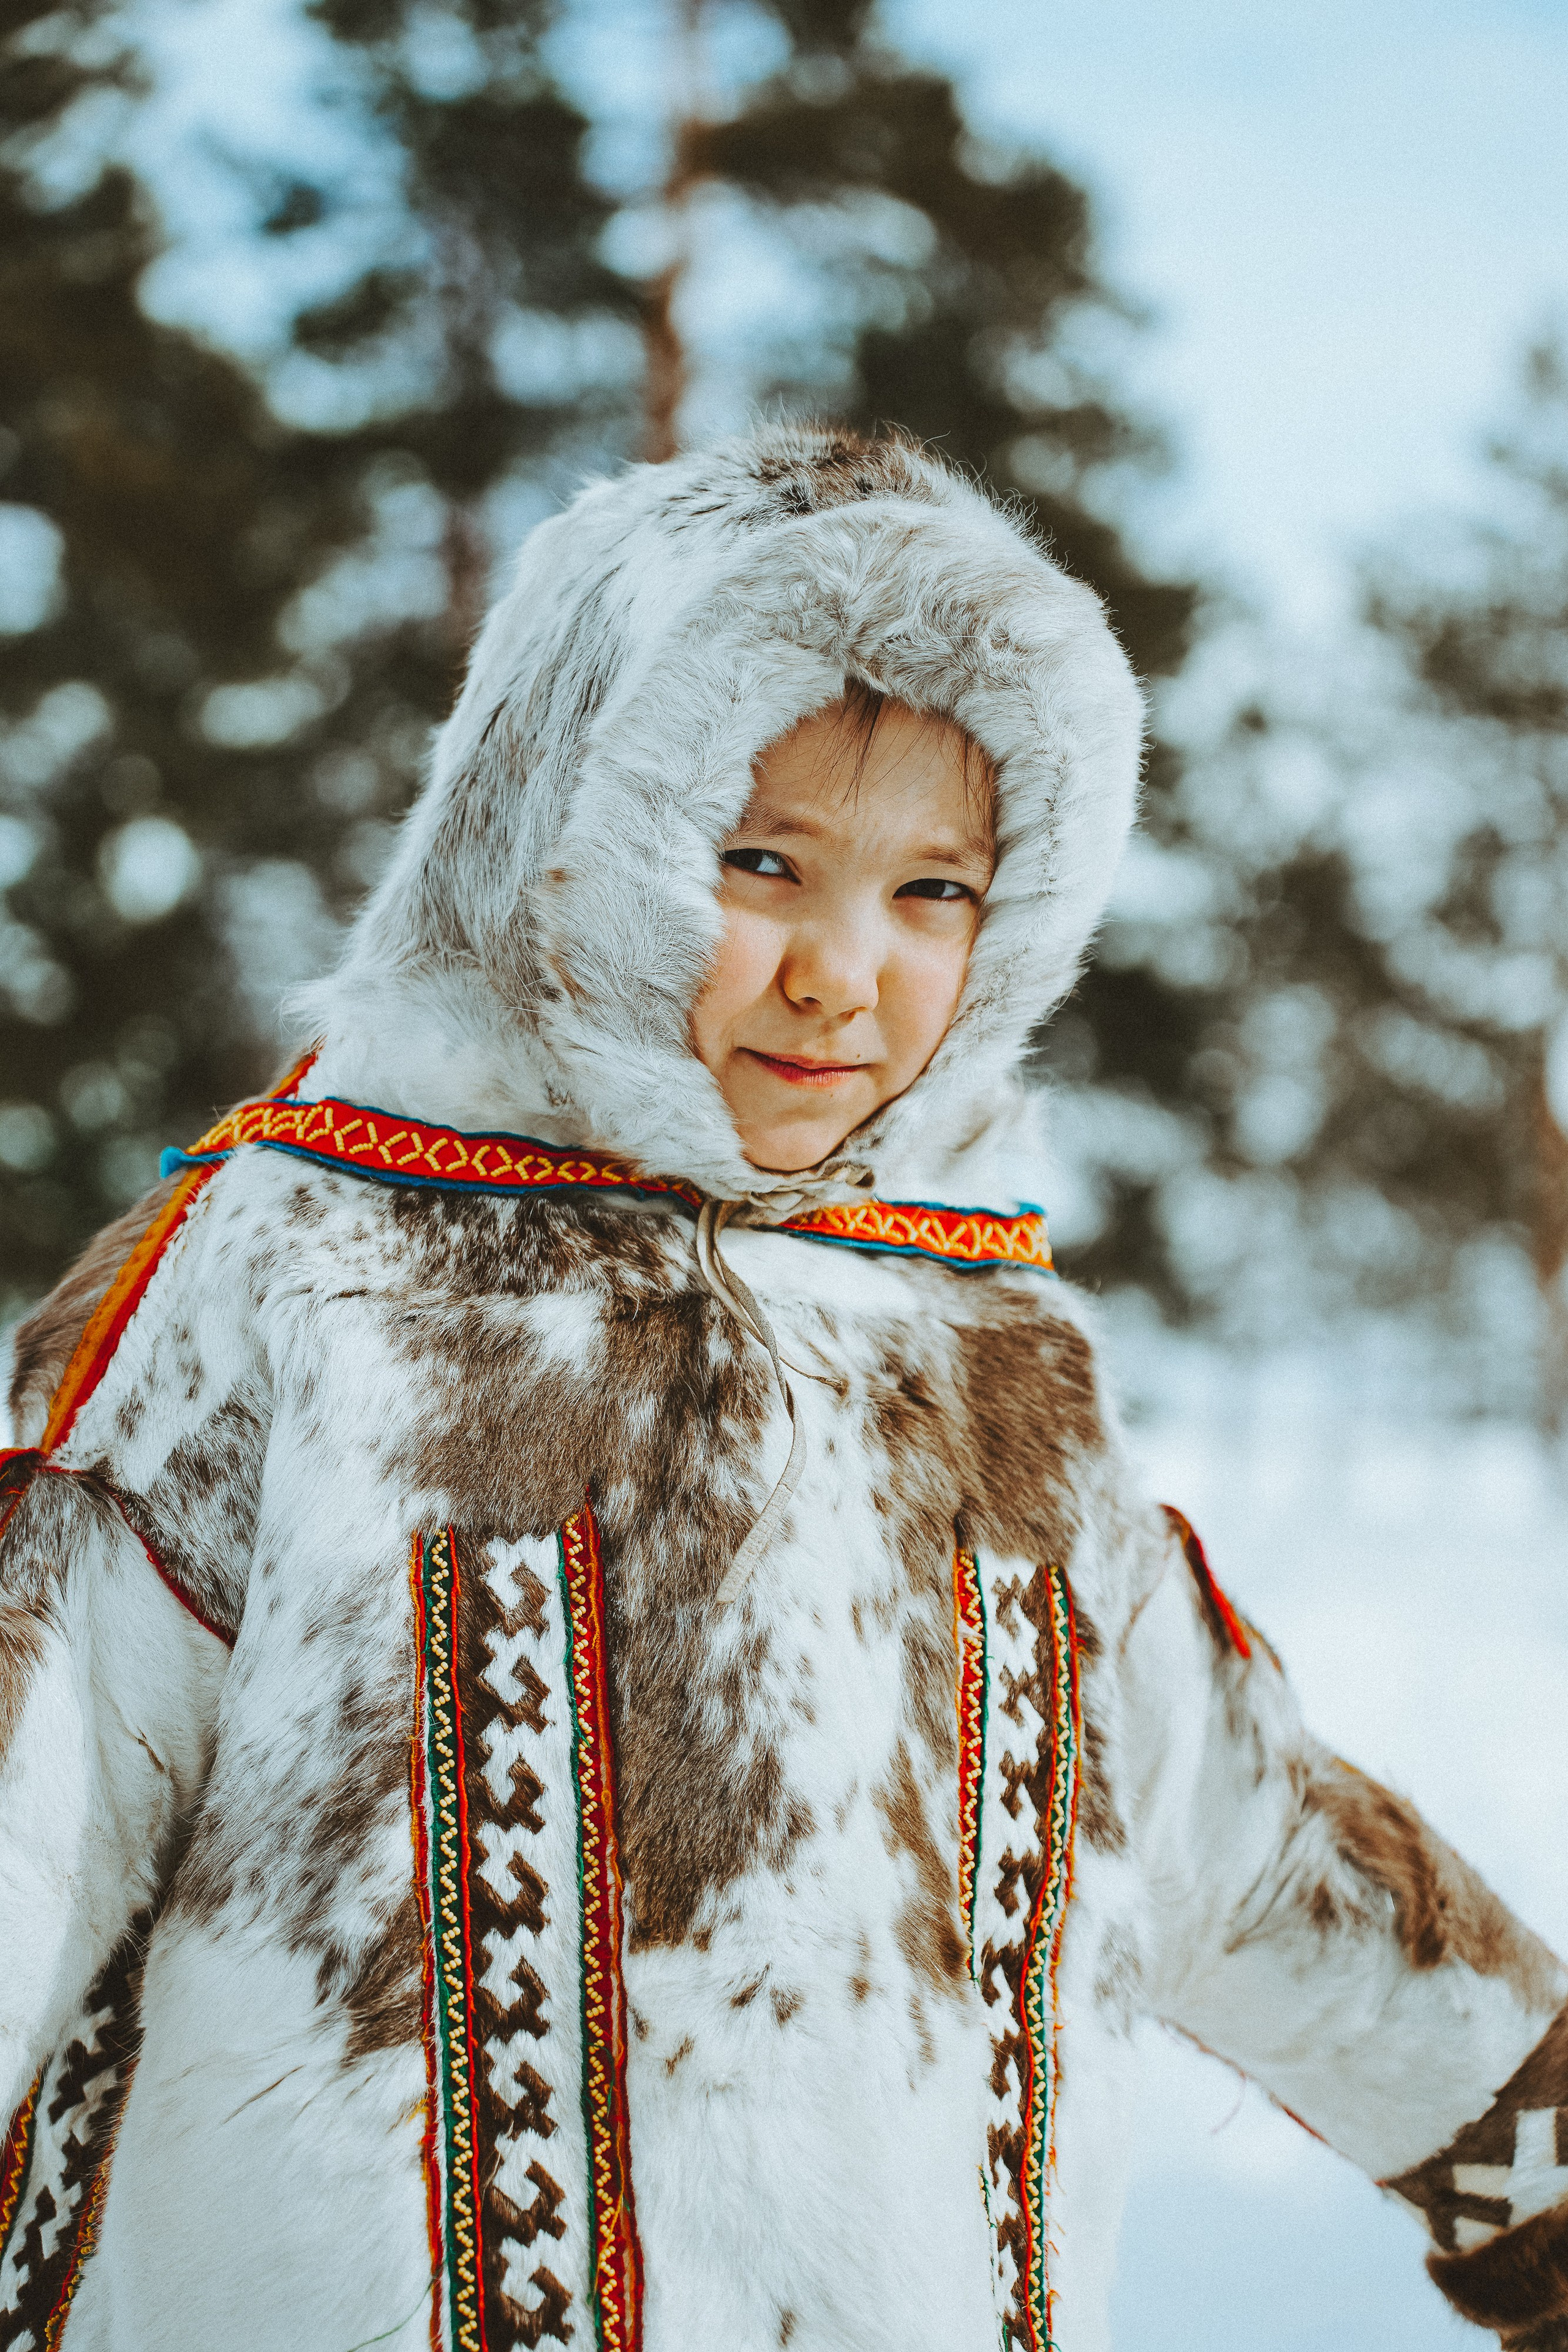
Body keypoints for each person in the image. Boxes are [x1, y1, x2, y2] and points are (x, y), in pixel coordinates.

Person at [1, 426, 1564, 2352]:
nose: (844, 969)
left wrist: (1534, 2154)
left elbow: (1238, 1826)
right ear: (556, 835)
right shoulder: (306, 1274)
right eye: (762, 863)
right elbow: (35, 1790)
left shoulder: (989, 1362)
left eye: (934, 892)